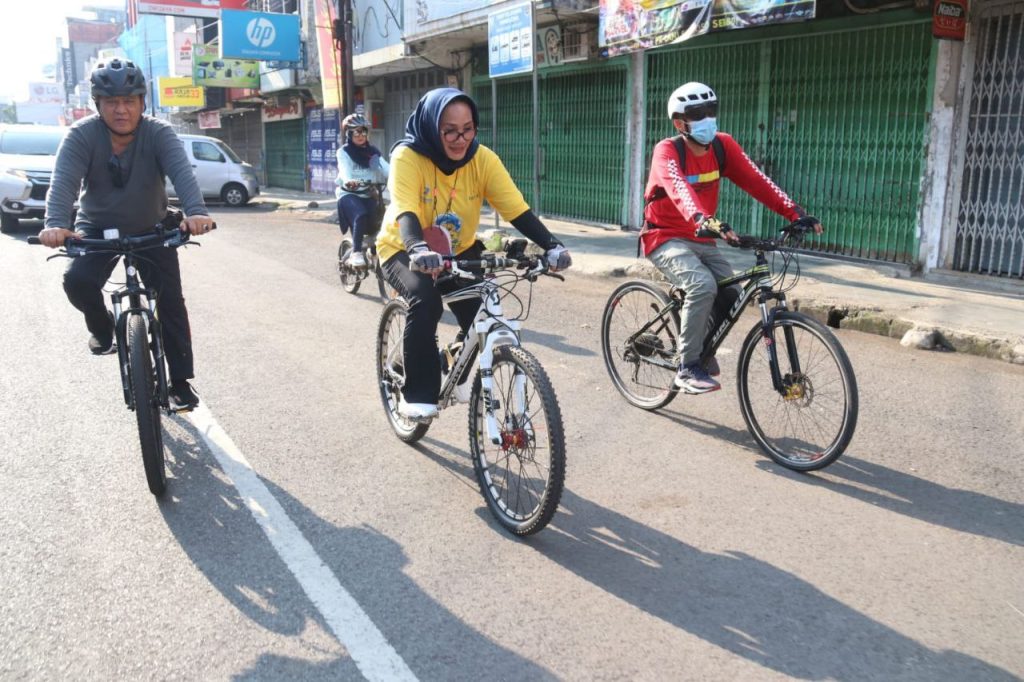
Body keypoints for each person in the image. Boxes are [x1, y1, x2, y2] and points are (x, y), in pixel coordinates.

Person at [377, 87, 572, 421]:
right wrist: (417, 248)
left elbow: (517, 211)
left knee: (484, 305)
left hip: (457, 248)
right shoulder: (407, 156)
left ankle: (454, 364)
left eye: (468, 129)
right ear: (430, 127)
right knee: (427, 301)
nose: (459, 138)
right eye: (449, 130)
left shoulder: (483, 159)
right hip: (402, 248)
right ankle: (418, 392)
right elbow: (406, 210)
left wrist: (552, 245)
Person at [39, 59, 216, 409]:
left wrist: (196, 213)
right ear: (98, 104)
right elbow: (63, 184)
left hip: (153, 226)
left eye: (129, 101)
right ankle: (103, 330)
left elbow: (182, 175)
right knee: (76, 281)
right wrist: (56, 223)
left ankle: (179, 382)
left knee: (170, 303)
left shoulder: (159, 133)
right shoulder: (81, 135)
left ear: (142, 102)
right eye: (111, 102)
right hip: (96, 228)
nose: (121, 109)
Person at [642, 81, 822, 394]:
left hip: (702, 238)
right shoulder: (668, 150)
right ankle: (686, 367)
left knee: (732, 297)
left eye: (711, 111)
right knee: (702, 285)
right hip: (665, 236)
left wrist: (794, 212)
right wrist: (704, 219)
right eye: (698, 113)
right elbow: (679, 189)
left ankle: (699, 347)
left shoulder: (723, 146)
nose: (707, 118)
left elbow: (758, 181)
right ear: (679, 122)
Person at [336, 112, 389, 268]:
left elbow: (386, 167)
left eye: (363, 131)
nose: (360, 135)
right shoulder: (344, 152)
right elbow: (344, 170)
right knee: (360, 215)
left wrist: (400, 176)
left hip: (368, 193)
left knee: (382, 221)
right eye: (356, 132)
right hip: (348, 194)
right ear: (349, 134)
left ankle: (374, 251)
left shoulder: (373, 153)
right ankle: (356, 253)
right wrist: (348, 180)